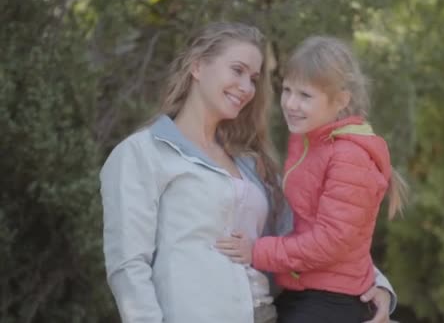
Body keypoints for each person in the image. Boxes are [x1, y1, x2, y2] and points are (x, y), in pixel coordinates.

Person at [100, 22, 397, 323]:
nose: (246, 88)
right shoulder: (142, 152)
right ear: (198, 66)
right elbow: (128, 266)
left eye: (253, 78)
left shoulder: (252, 164)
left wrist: (376, 287)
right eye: (237, 70)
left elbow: (320, 233)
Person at [216, 36, 408, 323]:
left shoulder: (348, 155)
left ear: (341, 100)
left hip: (331, 299)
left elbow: (331, 242)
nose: (291, 104)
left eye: (305, 96)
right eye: (288, 90)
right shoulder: (312, 141)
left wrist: (257, 250)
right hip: (306, 288)